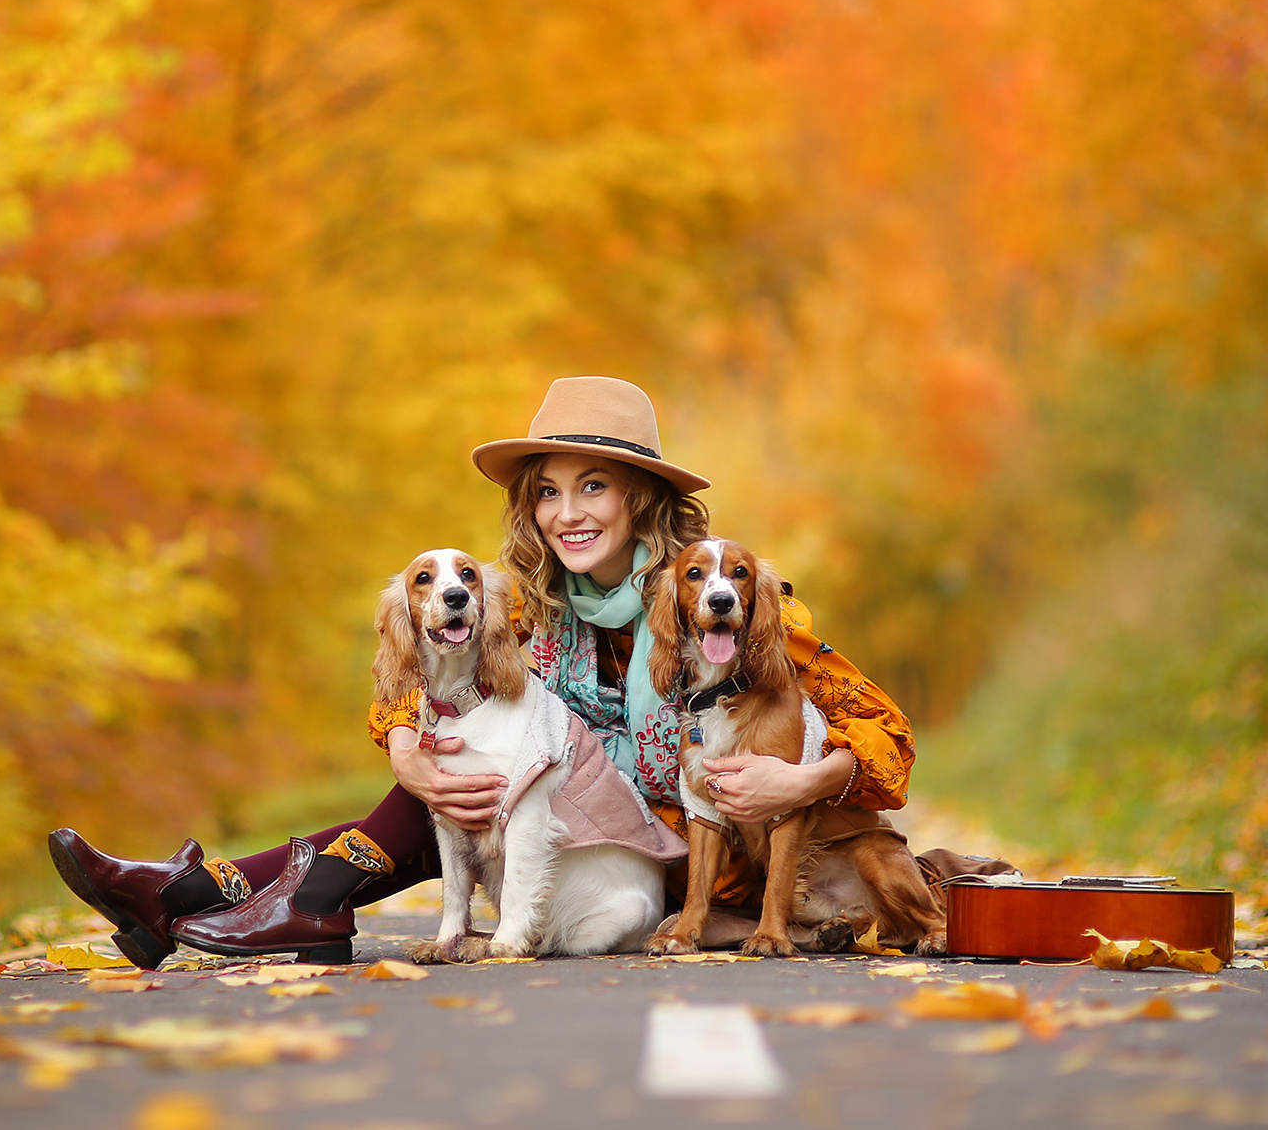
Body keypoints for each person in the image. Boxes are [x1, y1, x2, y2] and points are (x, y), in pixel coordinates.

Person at [49, 377, 917, 966]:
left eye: (593, 487)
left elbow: (888, 736)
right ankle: (187, 896)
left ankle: (208, 895)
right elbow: (433, 682)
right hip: (554, 826)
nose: (566, 513)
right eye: (546, 490)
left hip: (670, 863)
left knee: (485, 783)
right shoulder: (530, 609)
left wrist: (804, 775)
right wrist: (405, 749)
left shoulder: (713, 597)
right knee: (451, 780)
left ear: (640, 497)